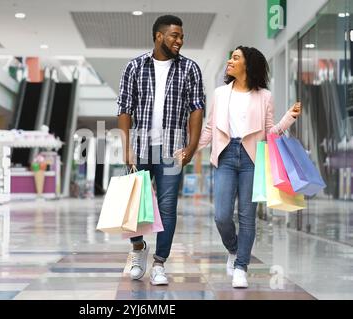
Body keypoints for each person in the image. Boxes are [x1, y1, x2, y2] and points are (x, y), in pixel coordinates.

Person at [192, 46, 301, 288]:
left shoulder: (265, 96)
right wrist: (191, 151)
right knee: (221, 215)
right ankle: (233, 249)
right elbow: (210, 128)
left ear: (247, 65)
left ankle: (241, 266)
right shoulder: (220, 93)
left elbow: (270, 131)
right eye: (231, 57)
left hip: (252, 156)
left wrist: (289, 118)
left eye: (235, 58)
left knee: (247, 217)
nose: (230, 61)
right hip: (226, 154)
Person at [117, 15, 204, 285]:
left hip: (172, 149)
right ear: (159, 36)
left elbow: (197, 109)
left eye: (181, 36)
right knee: (134, 205)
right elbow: (124, 108)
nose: (179, 40)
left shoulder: (190, 68)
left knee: (167, 207)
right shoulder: (134, 67)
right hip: (140, 147)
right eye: (174, 36)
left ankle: (159, 264)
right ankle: (138, 248)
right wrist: (126, 147)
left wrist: (191, 146)